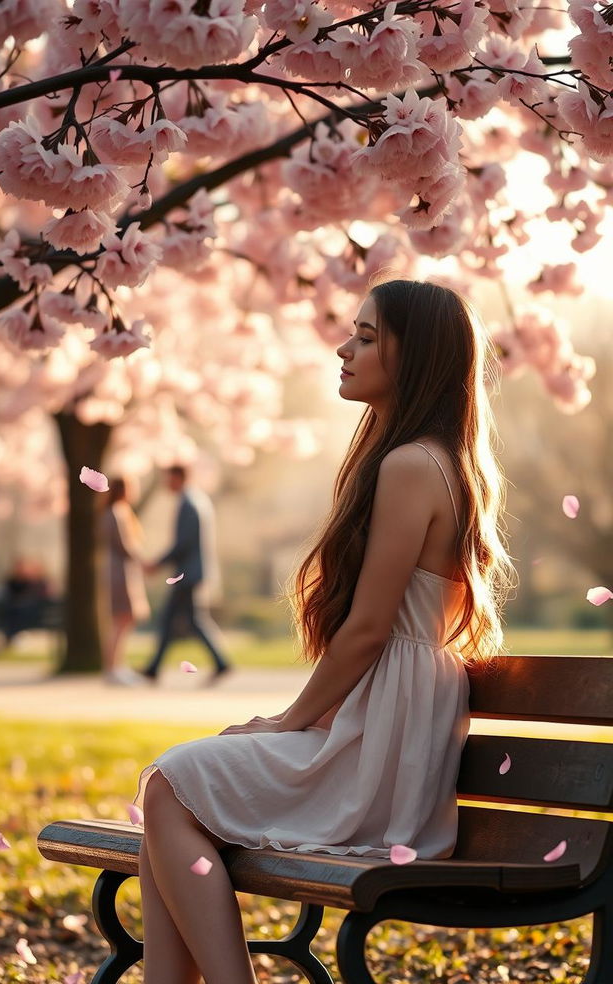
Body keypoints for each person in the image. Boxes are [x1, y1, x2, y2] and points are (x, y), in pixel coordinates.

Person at [133, 278, 516, 984]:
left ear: (419, 358)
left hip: (384, 754)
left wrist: (287, 722)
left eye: (368, 338)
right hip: (383, 729)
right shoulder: (434, 461)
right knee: (172, 802)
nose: (344, 348)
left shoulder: (410, 466)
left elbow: (369, 630)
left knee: (172, 787)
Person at [141, 464, 231, 683]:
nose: (165, 483)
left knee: (176, 619)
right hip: (192, 572)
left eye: (168, 478)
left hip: (188, 574)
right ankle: (219, 663)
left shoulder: (189, 503)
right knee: (185, 619)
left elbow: (183, 543)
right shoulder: (197, 500)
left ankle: (155, 668)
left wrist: (157, 563)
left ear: (179, 477)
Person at [100, 477, 150, 686]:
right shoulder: (116, 512)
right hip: (120, 573)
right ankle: (113, 667)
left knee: (122, 620)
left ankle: (117, 665)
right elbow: (125, 545)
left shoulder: (114, 512)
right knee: (122, 619)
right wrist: (144, 562)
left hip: (119, 570)